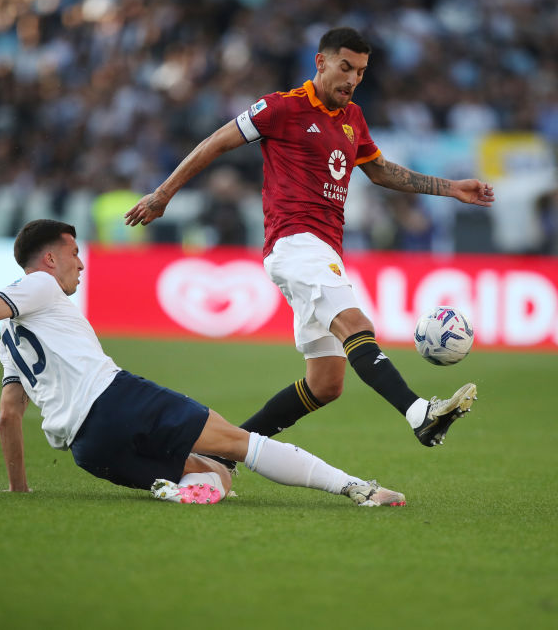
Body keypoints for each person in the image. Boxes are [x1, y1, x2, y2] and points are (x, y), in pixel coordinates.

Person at [124, 27, 494, 451]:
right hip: (296, 242)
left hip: (322, 249)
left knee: (325, 384)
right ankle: (419, 414)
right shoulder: (282, 108)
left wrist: (451, 188)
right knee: (358, 325)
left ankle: (218, 451)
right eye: (345, 67)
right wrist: (162, 194)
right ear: (320, 63)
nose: (353, 79)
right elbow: (215, 143)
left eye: (360, 71)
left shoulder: (352, 118)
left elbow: (381, 172)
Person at [0, 219, 406, 507]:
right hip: (116, 400)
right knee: (238, 445)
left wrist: (18, 489)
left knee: (217, 477)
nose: (81, 264)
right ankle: (356, 488)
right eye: (74, 254)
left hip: (89, 450)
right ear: (48, 260)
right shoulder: (39, 286)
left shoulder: (8, 346)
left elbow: (8, 415)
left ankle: (175, 491)